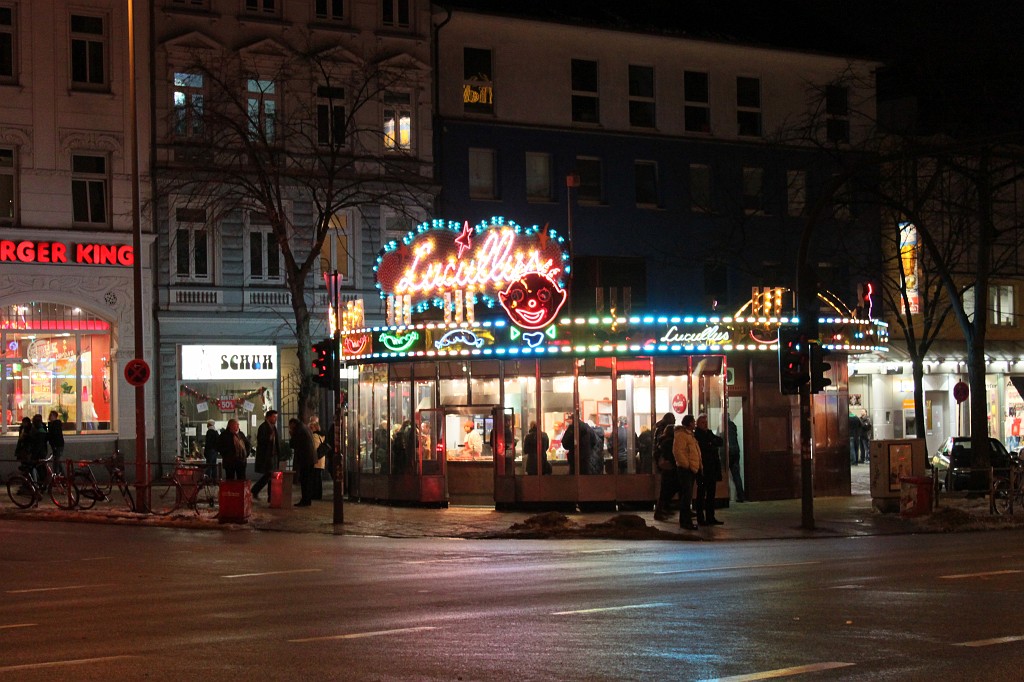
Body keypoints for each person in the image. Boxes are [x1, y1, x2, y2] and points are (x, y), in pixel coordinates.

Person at [671, 414, 702, 530]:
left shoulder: (689, 435)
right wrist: (687, 465)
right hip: (686, 470)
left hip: (691, 468)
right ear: (689, 423)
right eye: (693, 422)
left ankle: (686, 520)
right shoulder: (682, 435)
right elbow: (678, 452)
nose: (695, 424)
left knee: (687, 496)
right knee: (686, 496)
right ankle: (685, 522)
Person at [694, 414, 724, 525]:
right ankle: (700, 518)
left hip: (712, 468)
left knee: (711, 494)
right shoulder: (697, 435)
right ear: (697, 424)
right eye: (703, 423)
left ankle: (710, 517)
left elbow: (720, 441)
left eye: (706, 422)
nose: (705, 425)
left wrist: (711, 443)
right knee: (701, 494)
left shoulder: (709, 433)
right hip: (703, 468)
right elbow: (704, 447)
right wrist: (711, 443)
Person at [653, 413, 678, 520]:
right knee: (666, 490)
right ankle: (660, 511)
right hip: (668, 467)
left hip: (665, 466)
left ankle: (663, 509)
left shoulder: (660, 432)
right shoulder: (667, 440)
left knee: (666, 489)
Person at [251, 410, 280, 501]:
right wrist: (269, 438)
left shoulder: (273, 427)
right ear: (268, 417)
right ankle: (255, 490)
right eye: (274, 417)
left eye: (276, 417)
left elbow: (276, 442)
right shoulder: (263, 427)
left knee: (271, 476)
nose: (275, 419)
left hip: (272, 456)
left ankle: (270, 496)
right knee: (269, 475)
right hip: (267, 456)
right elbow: (261, 441)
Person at [288, 417, 316, 507]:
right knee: (308, 480)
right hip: (310, 458)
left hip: (305, 459)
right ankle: (307, 500)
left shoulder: (298, 430)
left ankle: (305, 500)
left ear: (293, 424)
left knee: (305, 480)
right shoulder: (304, 427)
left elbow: (292, 444)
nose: (290, 428)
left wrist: (291, 434)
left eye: (290, 426)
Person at [726, 415, 746, 503]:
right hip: (736, 451)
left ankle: (726, 496)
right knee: (736, 474)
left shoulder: (723, 426)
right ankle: (741, 496)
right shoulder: (733, 425)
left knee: (724, 474)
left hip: (728, 452)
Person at [29, 414, 49, 484]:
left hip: (39, 453)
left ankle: (38, 483)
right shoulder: (42, 430)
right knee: (41, 468)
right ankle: (42, 483)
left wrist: (33, 455)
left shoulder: (38, 432)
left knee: (37, 468)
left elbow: (38, 445)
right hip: (42, 452)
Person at [309, 416, 325, 500]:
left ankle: (316, 495)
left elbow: (314, 448)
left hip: (316, 459)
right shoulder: (321, 435)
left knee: (316, 478)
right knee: (318, 478)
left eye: (311, 428)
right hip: (321, 459)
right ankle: (318, 495)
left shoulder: (315, 436)